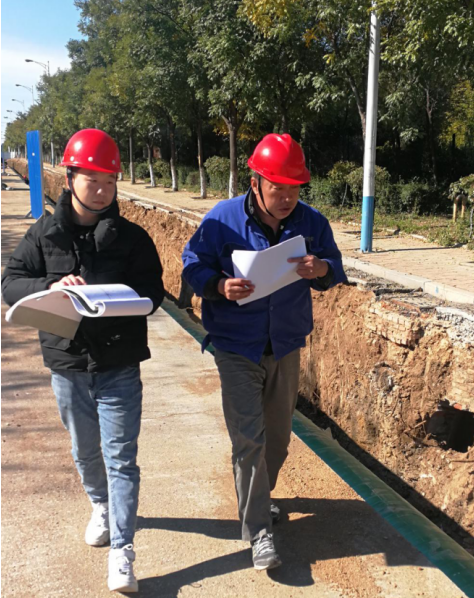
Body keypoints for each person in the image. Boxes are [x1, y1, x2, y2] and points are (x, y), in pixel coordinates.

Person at [1, 128, 164, 593]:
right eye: (93, 181)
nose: (102, 191)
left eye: (110, 182)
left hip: (119, 362)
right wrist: (50, 288)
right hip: (68, 364)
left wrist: (121, 300)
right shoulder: (43, 233)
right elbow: (10, 284)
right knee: (85, 449)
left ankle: (123, 551)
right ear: (70, 178)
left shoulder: (132, 238)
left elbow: (154, 292)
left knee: (121, 457)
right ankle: (101, 505)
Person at [182, 133, 347, 570]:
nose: (287, 197)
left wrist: (321, 267)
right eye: (278, 188)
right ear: (255, 182)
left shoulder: (311, 223)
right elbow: (192, 263)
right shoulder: (223, 220)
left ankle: (258, 497)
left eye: (295, 188)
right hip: (236, 346)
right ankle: (258, 531)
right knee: (249, 441)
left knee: (277, 439)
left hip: (285, 345)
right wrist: (219, 286)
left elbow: (335, 266)